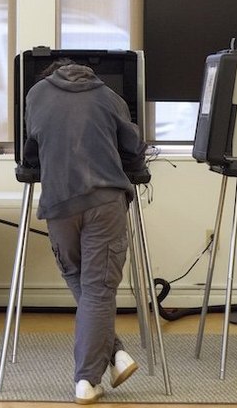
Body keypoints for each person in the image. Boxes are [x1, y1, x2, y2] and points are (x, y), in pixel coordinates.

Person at [22, 58, 145, 404]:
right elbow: (132, 148)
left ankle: (116, 355)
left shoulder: (36, 95)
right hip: (104, 201)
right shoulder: (109, 96)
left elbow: (31, 148)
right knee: (98, 289)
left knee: (84, 284)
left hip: (59, 203)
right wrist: (134, 168)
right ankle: (87, 380)